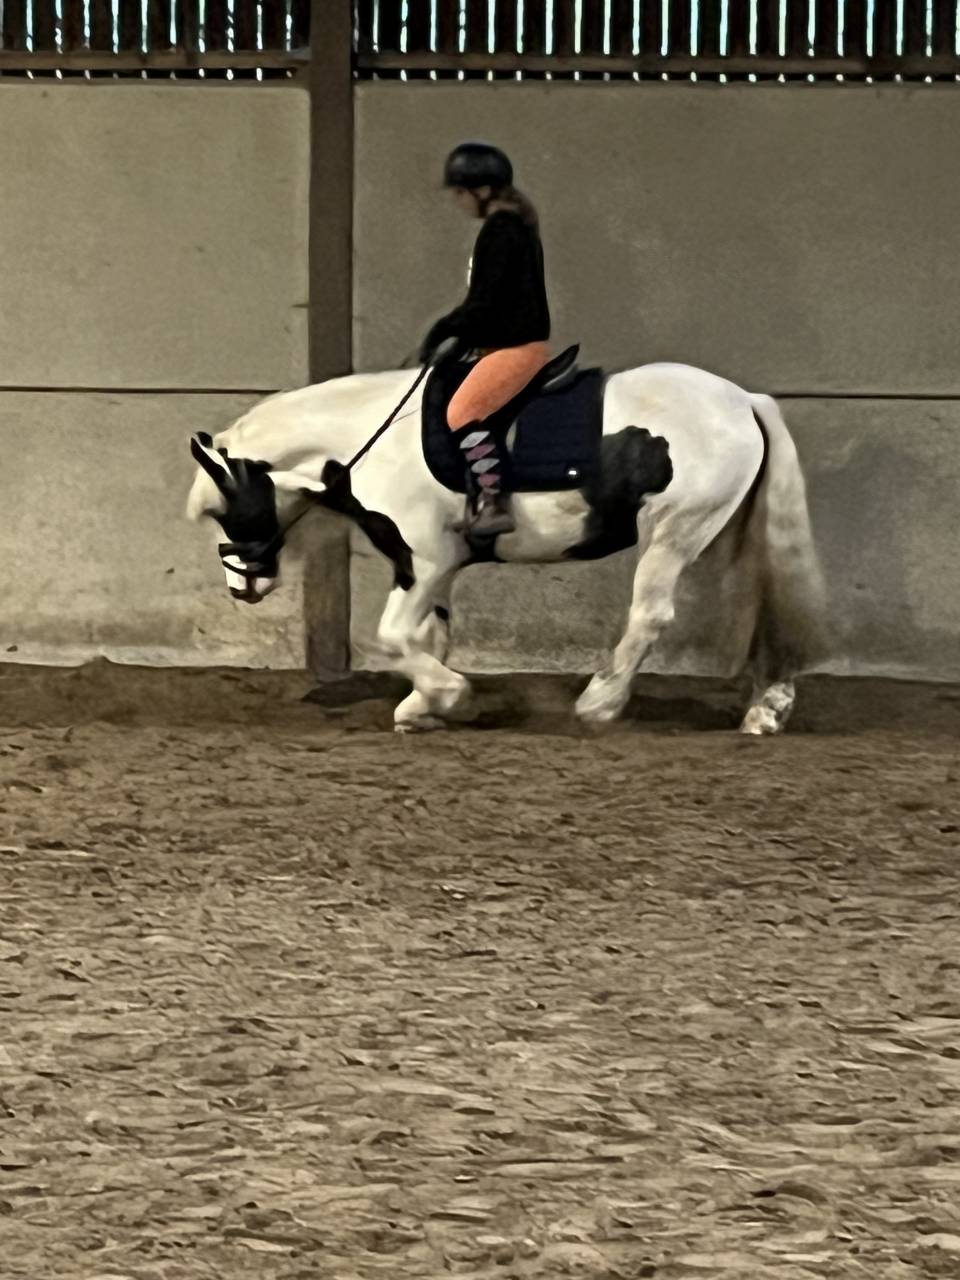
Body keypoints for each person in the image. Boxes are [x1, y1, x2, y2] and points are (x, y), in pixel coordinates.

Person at [419, 142, 551, 538]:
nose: (458, 202)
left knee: (462, 412)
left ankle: (495, 500)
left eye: (460, 193)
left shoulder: (502, 230)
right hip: (504, 345)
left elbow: (485, 303)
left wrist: (445, 329)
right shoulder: (512, 226)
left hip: (516, 349)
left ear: (482, 191)